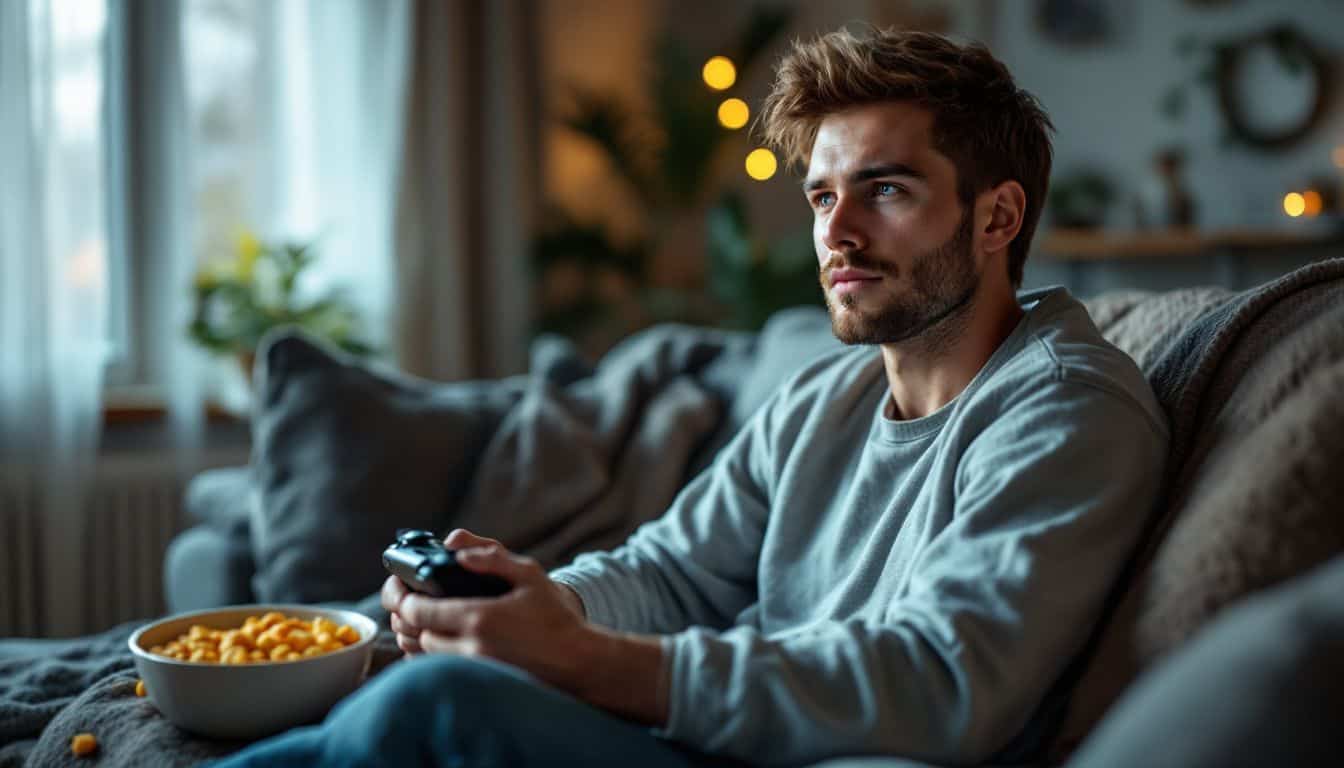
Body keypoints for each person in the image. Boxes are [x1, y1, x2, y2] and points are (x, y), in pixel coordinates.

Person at [213, 26, 1168, 768]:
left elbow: (943, 681)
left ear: (997, 215)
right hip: (725, 741)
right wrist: (533, 604)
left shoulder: (1068, 411)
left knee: (437, 709)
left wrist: (579, 660)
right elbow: (672, 575)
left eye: (885, 190)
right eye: (825, 197)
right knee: (408, 695)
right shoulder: (819, 402)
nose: (838, 233)